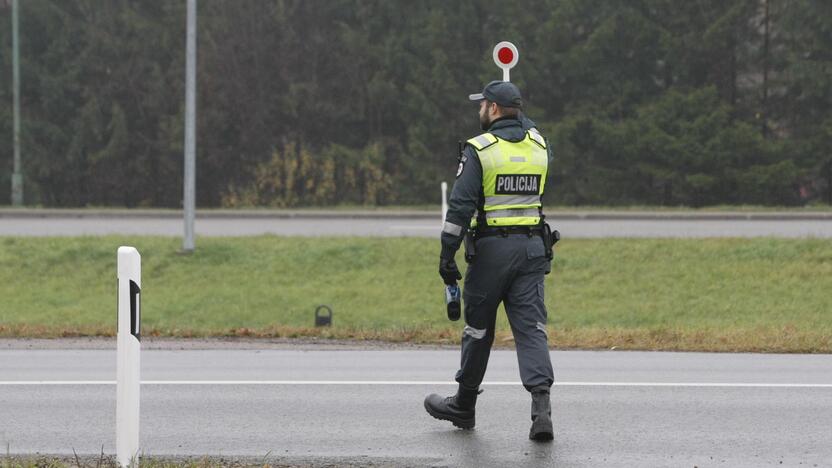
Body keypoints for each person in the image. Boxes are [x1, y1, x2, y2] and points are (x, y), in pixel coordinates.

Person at [423, 80, 555, 441]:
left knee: (478, 330)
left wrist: (446, 254)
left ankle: (464, 405)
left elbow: (461, 207)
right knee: (531, 329)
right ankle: (541, 411)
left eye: (483, 105)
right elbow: (527, 131)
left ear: (494, 109)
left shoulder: (480, 150)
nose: (479, 110)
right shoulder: (540, 145)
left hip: (492, 253)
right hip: (531, 251)